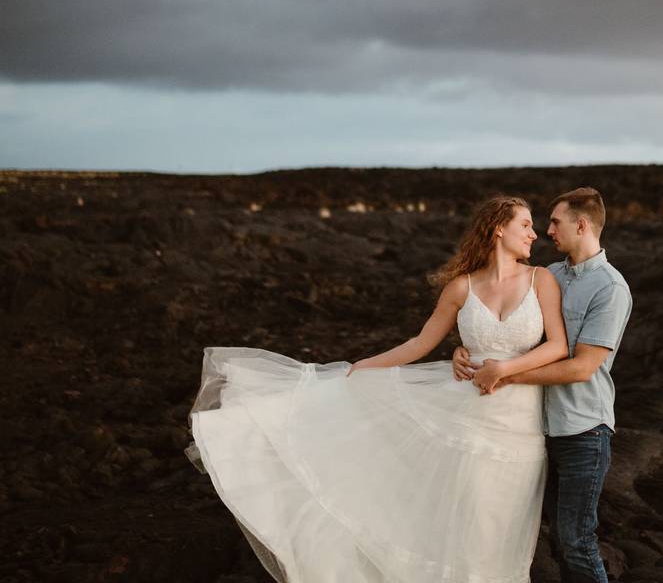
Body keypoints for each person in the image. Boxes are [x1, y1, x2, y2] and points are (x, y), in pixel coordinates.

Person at [186, 196, 568, 583]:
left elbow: (558, 347)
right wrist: (359, 368)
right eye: (525, 225)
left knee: (503, 527)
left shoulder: (542, 279)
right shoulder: (461, 287)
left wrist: (504, 368)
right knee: (465, 520)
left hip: (518, 425)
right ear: (498, 228)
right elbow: (420, 344)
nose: (534, 234)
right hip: (466, 417)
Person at [453, 187, 632, 583]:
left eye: (555, 221)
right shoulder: (548, 275)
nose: (547, 230)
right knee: (543, 539)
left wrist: (504, 373)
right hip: (532, 428)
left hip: (582, 429)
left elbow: (582, 367)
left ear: (581, 224)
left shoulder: (610, 288)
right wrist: (466, 352)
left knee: (576, 539)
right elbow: (515, 336)